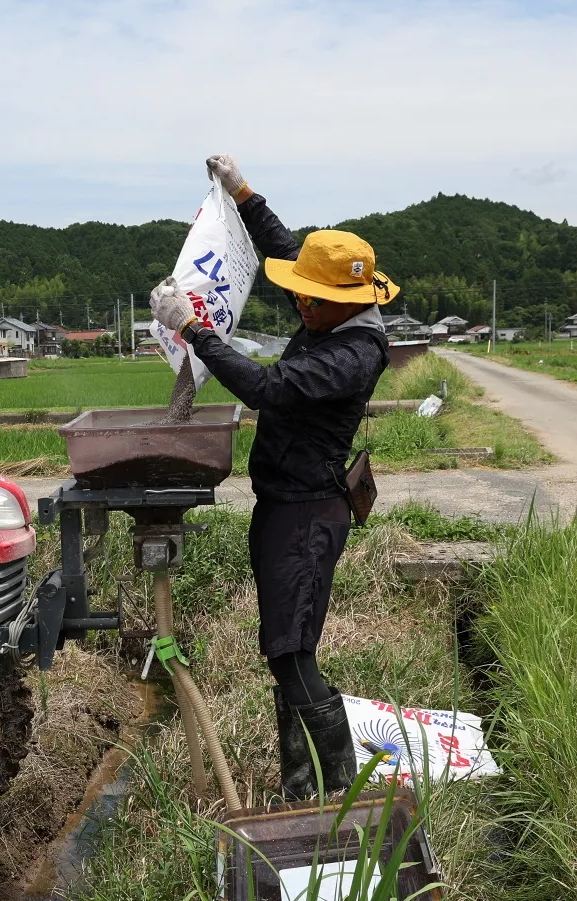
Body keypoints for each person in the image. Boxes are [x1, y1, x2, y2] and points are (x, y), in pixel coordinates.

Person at [148, 153, 396, 802]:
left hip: (309, 514)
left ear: (340, 302)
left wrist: (193, 330)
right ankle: (299, 786)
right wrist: (244, 192)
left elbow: (264, 386)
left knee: (293, 657)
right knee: (284, 653)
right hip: (285, 504)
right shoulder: (332, 310)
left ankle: (341, 795)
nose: (299, 303)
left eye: (310, 299)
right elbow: (287, 249)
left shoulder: (351, 353)